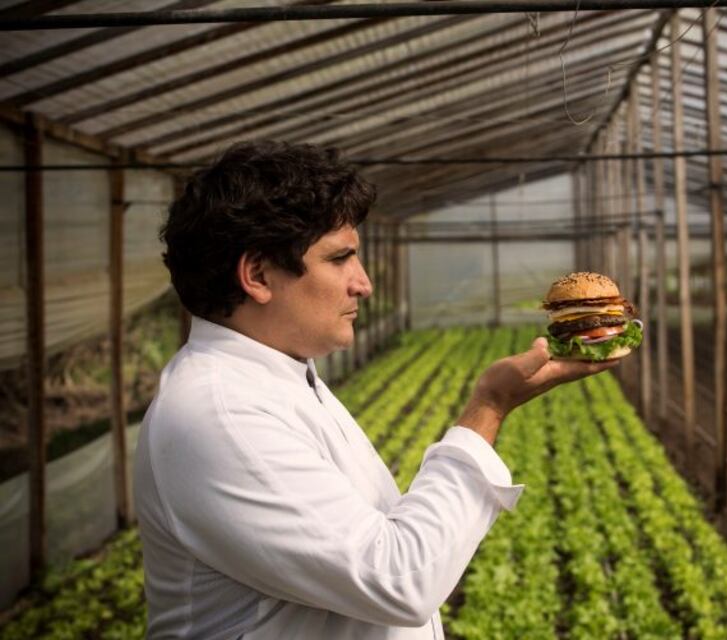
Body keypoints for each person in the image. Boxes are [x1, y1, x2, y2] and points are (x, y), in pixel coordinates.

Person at [134, 140, 616, 639]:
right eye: (340, 258)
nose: (363, 283)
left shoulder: (279, 375)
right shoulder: (222, 415)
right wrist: (488, 407)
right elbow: (398, 578)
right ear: (257, 275)